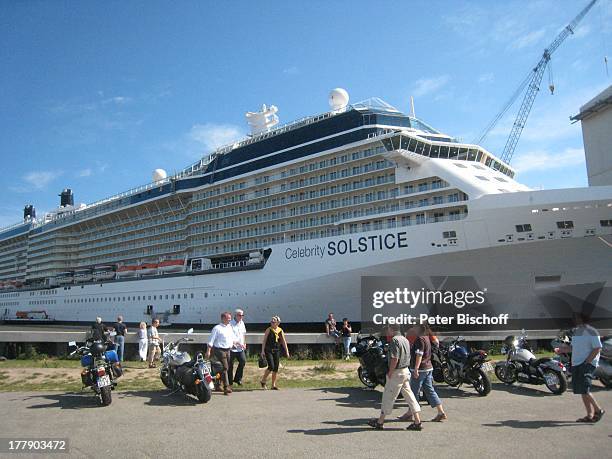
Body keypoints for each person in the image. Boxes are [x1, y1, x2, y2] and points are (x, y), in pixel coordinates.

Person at [368, 324, 422, 431]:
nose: (387, 331)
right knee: (409, 396)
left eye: (388, 329)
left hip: (397, 372)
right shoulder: (405, 339)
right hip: (406, 371)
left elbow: (394, 358)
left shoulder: (394, 340)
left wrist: (390, 372)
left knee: (388, 396)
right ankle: (417, 421)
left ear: (391, 329)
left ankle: (380, 422)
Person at [561, 313, 605, 422]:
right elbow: (573, 348)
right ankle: (589, 415)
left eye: (577, 318)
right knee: (582, 390)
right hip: (576, 364)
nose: (575, 320)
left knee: (585, 389)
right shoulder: (577, 332)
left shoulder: (592, 332)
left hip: (586, 364)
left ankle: (598, 410)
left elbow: (597, 348)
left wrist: (587, 362)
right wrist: (563, 350)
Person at [403, 324, 447, 422]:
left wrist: (416, 369)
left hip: (421, 369)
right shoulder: (426, 337)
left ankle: (411, 414)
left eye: (414, 326)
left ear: (419, 327)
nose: (412, 328)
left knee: (413, 392)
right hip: (428, 367)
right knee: (430, 390)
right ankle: (441, 412)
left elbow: (419, 355)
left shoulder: (420, 339)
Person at [206, 312, 237, 395]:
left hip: (228, 350)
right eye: (228, 318)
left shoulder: (229, 327)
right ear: (223, 318)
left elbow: (231, 337)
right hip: (219, 350)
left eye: (230, 318)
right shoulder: (217, 328)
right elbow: (211, 340)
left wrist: (234, 344)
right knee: (225, 368)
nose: (230, 319)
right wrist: (208, 351)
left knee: (221, 368)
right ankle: (226, 387)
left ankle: (217, 385)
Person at [260, 315, 290, 390]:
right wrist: (262, 351)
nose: (272, 323)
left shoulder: (280, 330)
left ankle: (273, 385)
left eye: (274, 322)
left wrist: (287, 351)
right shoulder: (268, 330)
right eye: (271, 322)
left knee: (276, 368)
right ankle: (263, 380)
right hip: (268, 350)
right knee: (271, 366)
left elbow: (283, 341)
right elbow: (264, 341)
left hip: (276, 350)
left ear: (277, 323)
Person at [228, 308, 247, 387]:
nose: (241, 317)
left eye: (242, 315)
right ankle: (229, 381)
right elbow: (229, 336)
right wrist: (235, 343)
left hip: (240, 348)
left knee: (243, 361)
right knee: (230, 365)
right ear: (235, 315)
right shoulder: (230, 324)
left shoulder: (242, 323)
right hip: (232, 348)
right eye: (240, 315)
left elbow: (243, 334)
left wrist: (245, 343)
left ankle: (238, 379)